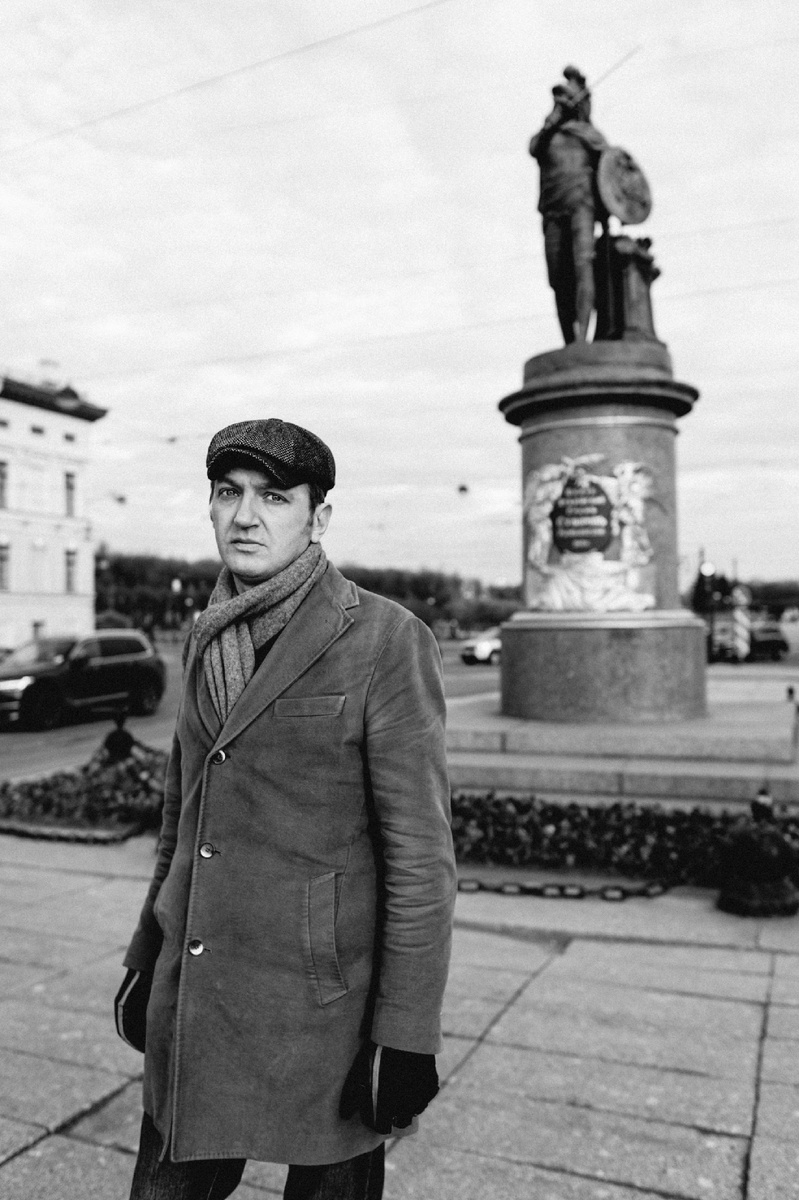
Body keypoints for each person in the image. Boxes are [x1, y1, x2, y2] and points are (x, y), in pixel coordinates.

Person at [115, 418, 457, 1200]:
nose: (245, 516)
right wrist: (143, 957)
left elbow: (420, 859)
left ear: (318, 517)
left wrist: (406, 1032)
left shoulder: (384, 639)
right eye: (227, 493)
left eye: (273, 497)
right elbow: (181, 822)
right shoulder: (206, 636)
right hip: (197, 993)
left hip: (323, 1011)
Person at [529, 65, 609, 343]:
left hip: (581, 206)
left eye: (566, 97)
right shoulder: (547, 137)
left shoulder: (589, 135)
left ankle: (582, 338)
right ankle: (569, 341)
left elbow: (610, 170)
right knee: (557, 277)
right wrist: (551, 121)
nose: (561, 103)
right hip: (552, 209)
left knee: (583, 266)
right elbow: (533, 148)